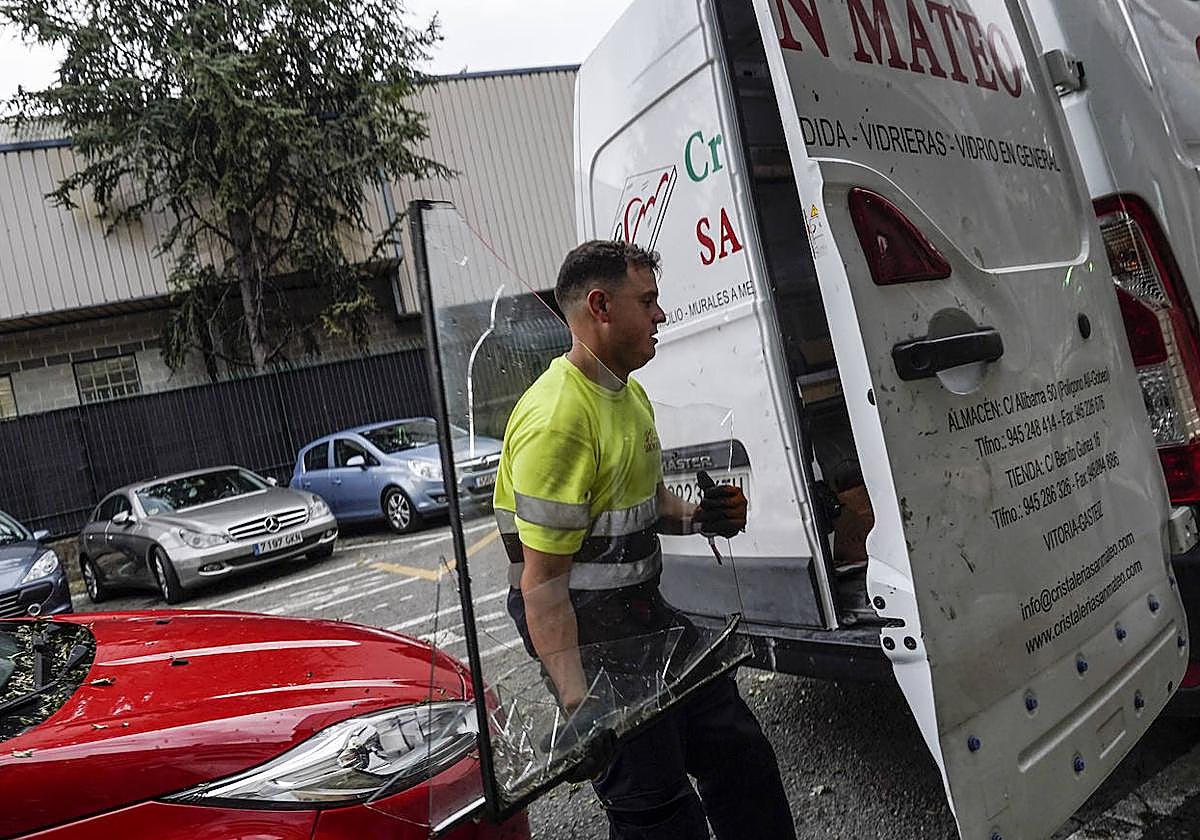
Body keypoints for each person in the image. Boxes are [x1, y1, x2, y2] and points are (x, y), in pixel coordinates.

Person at [492, 240, 796, 840]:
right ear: (600, 306)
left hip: (643, 618)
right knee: (657, 809)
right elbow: (543, 584)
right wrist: (580, 710)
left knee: (742, 760)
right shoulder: (558, 420)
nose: (661, 315)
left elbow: (646, 503)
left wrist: (703, 518)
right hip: (585, 633)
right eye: (648, 301)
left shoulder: (626, 394)